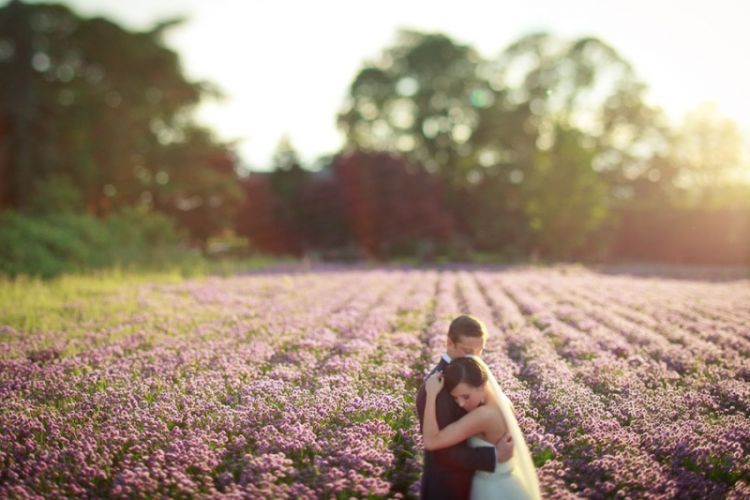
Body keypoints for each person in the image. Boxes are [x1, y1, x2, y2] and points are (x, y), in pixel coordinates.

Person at [416, 315, 515, 500]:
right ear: (449, 343)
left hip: (476, 483)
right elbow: (440, 452)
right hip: (448, 488)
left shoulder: (471, 377)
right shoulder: (439, 385)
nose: (475, 358)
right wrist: (494, 456)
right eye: (468, 351)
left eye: (479, 351)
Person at [423, 355, 541, 500]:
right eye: (455, 398)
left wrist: (431, 394)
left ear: (481, 386)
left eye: (465, 396)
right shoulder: (503, 401)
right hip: (508, 482)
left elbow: (430, 442)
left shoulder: (483, 416)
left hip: (492, 490)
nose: (460, 404)